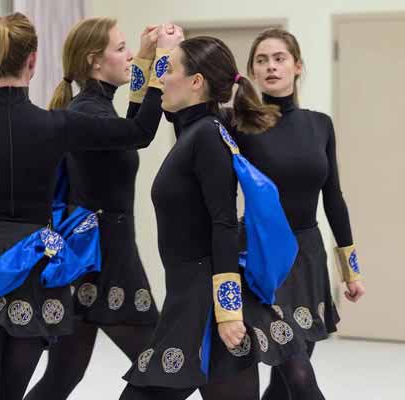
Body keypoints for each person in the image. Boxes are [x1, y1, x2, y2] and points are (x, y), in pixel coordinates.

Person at [0, 12, 182, 400]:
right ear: (33, 61)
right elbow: (139, 131)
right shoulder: (57, 125)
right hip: (33, 275)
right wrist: (159, 61)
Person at [119, 36, 302, 400]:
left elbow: (224, 223)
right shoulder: (192, 128)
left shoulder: (207, 135)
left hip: (206, 299)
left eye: (168, 70)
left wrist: (230, 310)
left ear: (196, 82)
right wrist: (150, 56)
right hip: (187, 294)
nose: (162, 78)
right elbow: (137, 123)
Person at [24, 19, 173, 400]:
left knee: (63, 376)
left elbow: (133, 122)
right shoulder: (87, 112)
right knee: (162, 367)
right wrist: (162, 60)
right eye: (120, 49)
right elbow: (141, 132)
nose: (126, 56)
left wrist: (142, 57)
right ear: (95, 61)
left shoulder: (96, 108)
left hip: (99, 253)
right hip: (106, 257)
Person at [239, 28, 366, 400]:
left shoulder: (319, 124)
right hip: (264, 259)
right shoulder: (240, 125)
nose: (271, 67)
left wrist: (351, 270)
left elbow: (334, 198)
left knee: (284, 382)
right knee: (298, 376)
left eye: (279, 58)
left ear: (297, 66)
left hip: (308, 256)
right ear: (252, 72)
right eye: (261, 61)